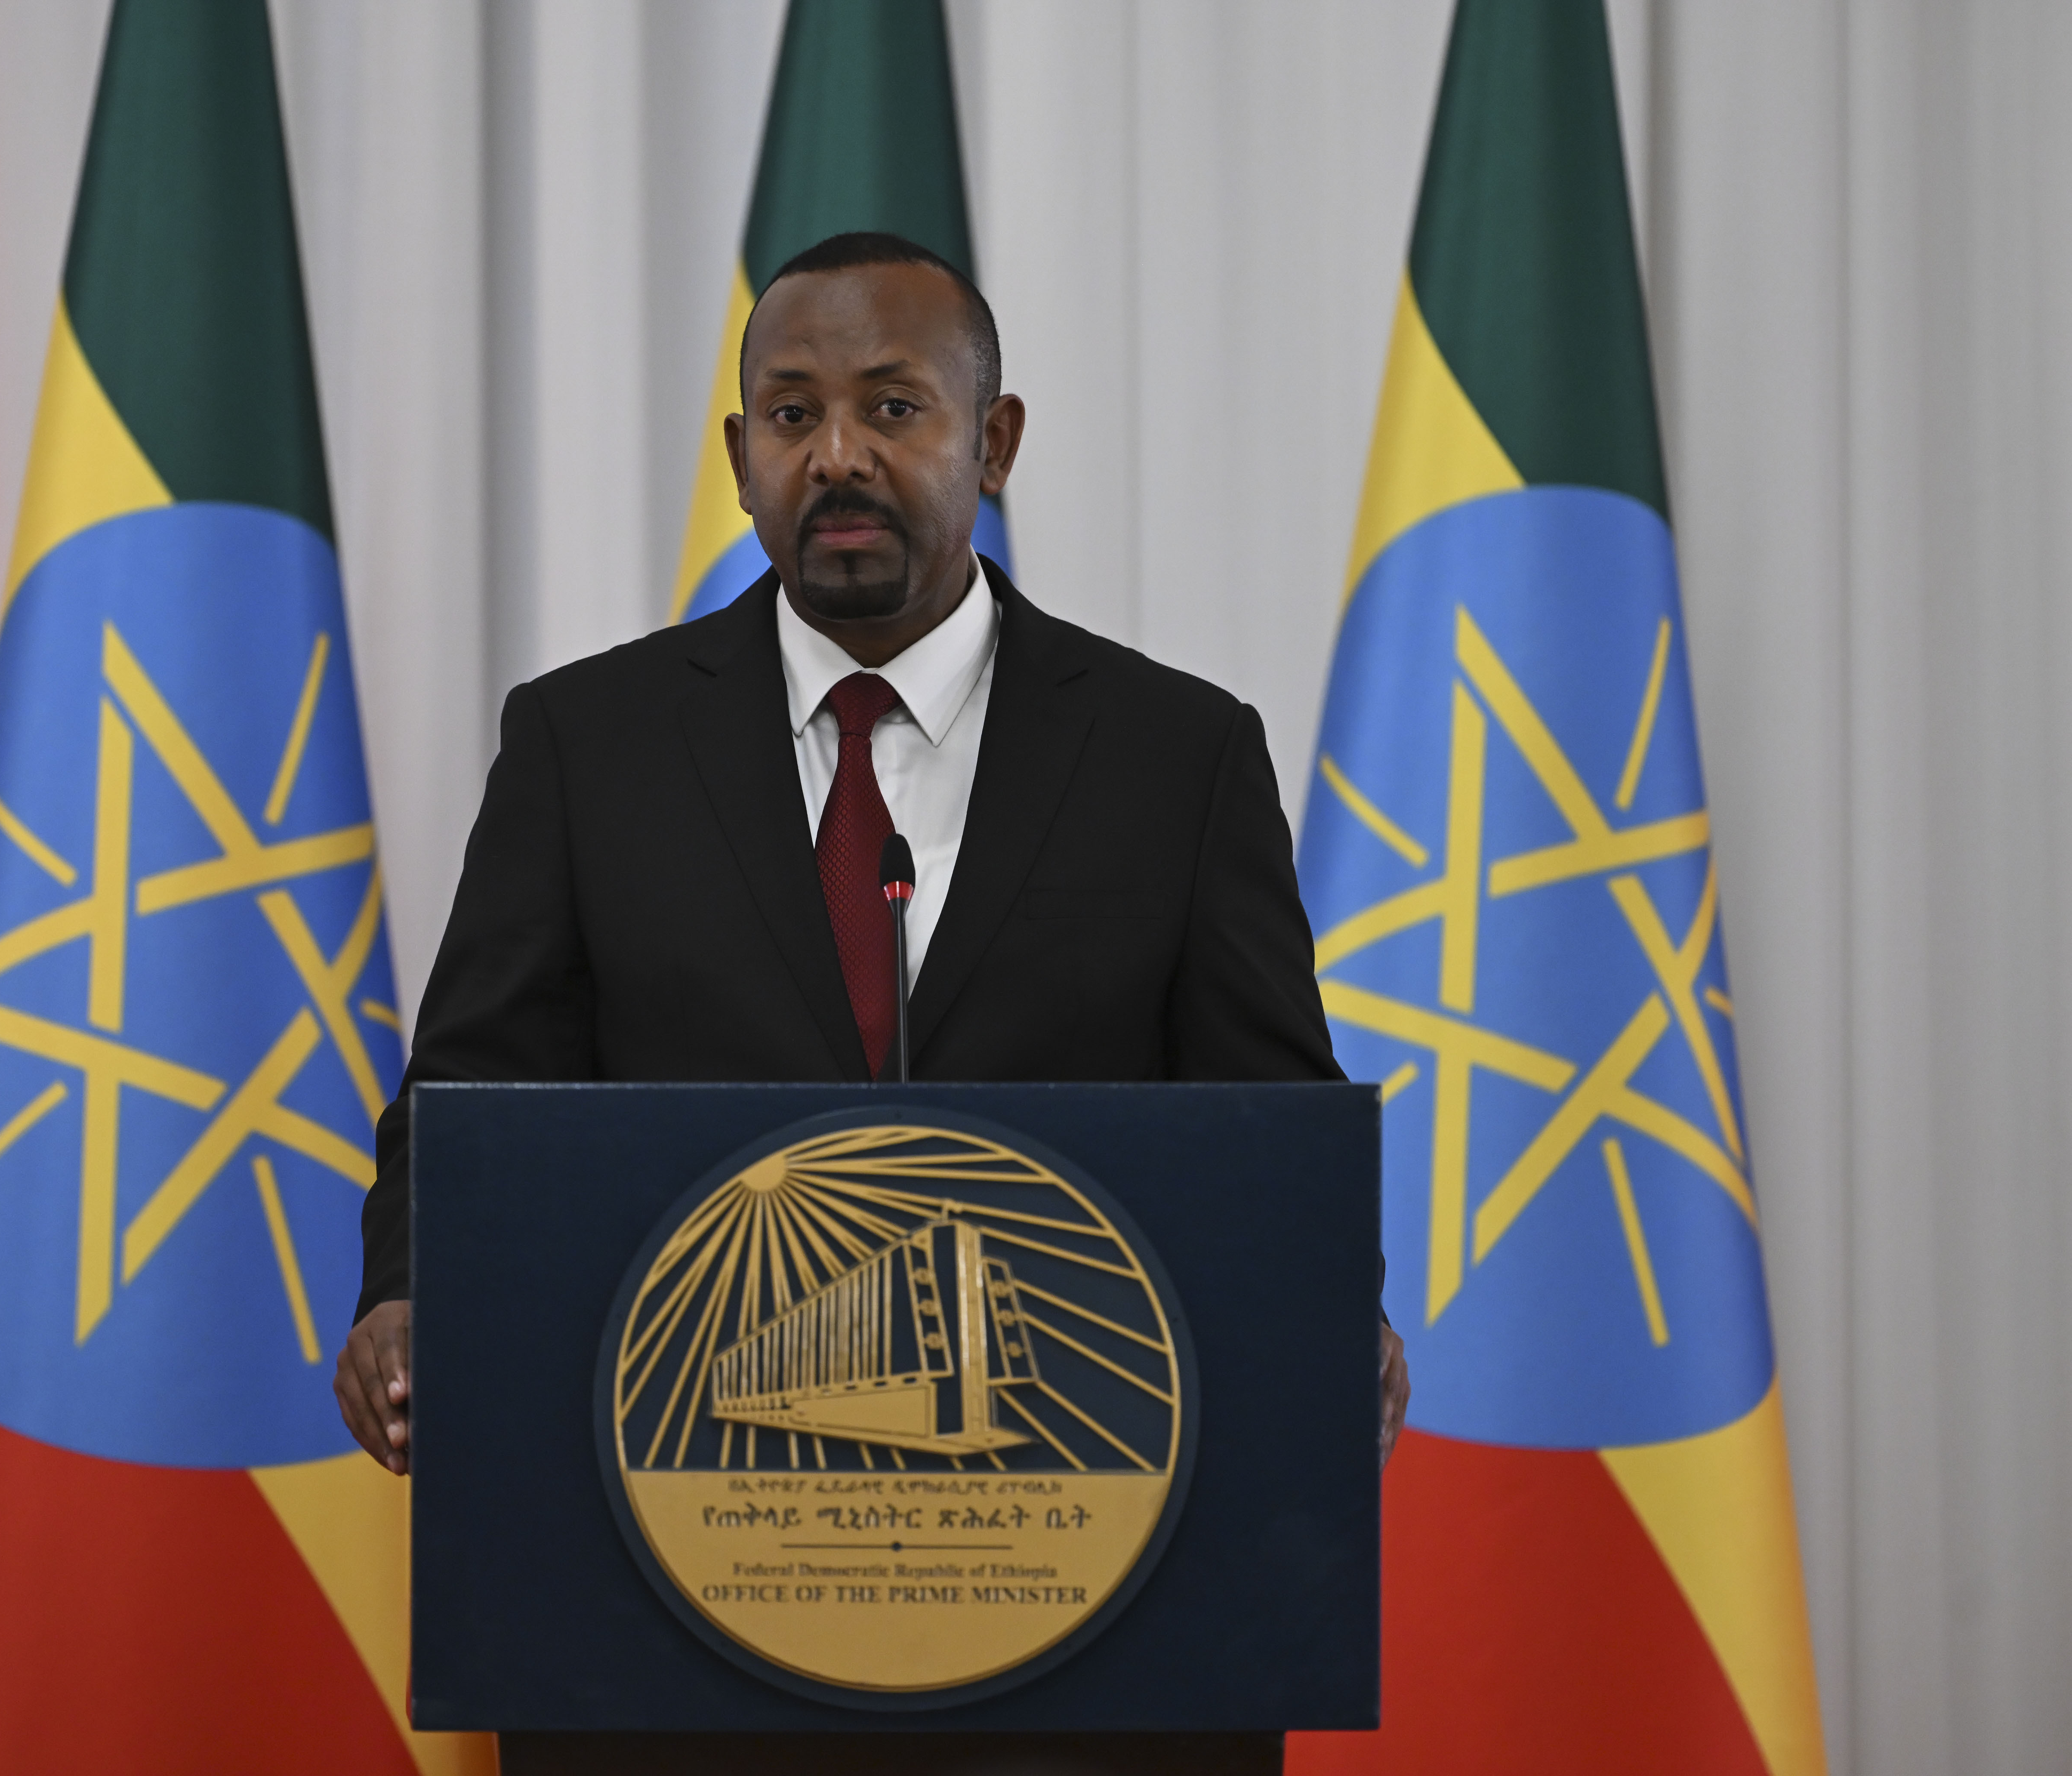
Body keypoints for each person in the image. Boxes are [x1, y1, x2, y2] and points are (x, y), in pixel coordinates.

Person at [333, 230, 1408, 1476]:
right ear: (741, 460)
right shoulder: (589, 745)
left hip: (1068, 1469)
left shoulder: (1176, 757)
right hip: (674, 1459)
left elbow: (1269, 1122)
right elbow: (473, 1090)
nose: (837, 456)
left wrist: (1335, 1304)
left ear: (994, 443)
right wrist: (406, 1288)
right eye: (792, 415)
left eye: (893, 408)